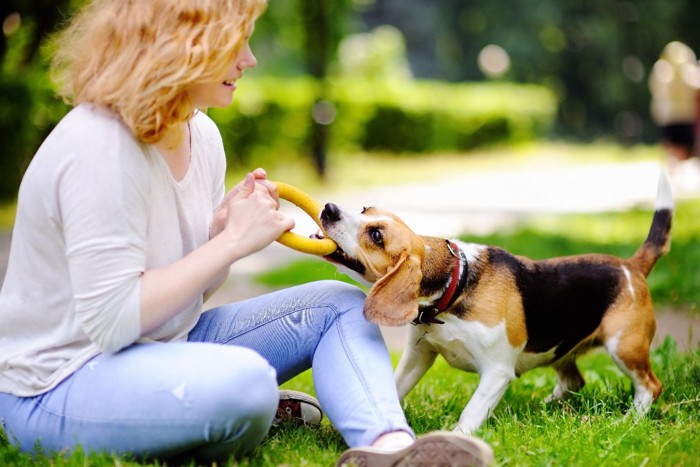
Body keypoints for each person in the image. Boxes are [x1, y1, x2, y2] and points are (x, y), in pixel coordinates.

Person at [0, 0, 494, 465]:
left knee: (342, 305)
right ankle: (223, 402)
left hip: (165, 344)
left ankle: (389, 448)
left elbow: (184, 298)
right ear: (184, 45)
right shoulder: (100, 147)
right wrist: (231, 244)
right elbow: (111, 324)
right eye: (236, 42)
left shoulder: (200, 132)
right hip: (56, 383)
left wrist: (217, 238)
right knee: (246, 387)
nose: (250, 59)